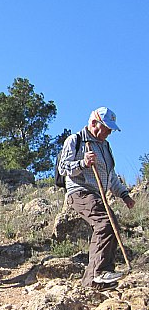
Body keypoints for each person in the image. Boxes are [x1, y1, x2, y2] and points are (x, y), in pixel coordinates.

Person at [58, 107, 135, 289]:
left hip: (97, 194)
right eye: (107, 128)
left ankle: (93, 281)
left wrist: (124, 194)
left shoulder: (105, 146)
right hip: (80, 191)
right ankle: (99, 273)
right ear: (94, 123)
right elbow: (63, 168)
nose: (109, 133)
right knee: (105, 224)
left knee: (112, 225)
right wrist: (83, 163)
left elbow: (111, 176)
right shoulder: (76, 140)